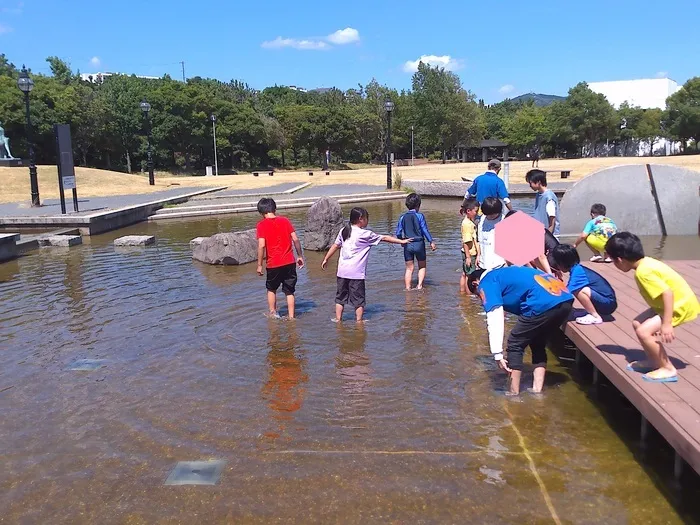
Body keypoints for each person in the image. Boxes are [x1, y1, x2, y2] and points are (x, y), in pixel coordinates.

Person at [606, 232, 700, 382]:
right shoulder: (646, 262)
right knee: (638, 323)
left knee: (644, 332)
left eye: (612, 260)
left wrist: (666, 324)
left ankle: (668, 368)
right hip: (671, 303)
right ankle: (654, 360)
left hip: (679, 305)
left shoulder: (643, 273)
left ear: (620, 260)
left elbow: (667, 294)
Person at [468, 266, 574, 395]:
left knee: (515, 343)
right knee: (537, 342)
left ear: (475, 283)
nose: (481, 299)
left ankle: (513, 393)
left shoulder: (487, 281)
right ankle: (537, 391)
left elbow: (494, 315)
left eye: (478, 295)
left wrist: (497, 354)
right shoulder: (504, 273)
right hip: (565, 300)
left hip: (542, 303)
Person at [322, 207, 410, 322]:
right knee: (358, 300)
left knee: (340, 298)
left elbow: (335, 245)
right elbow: (384, 238)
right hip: (356, 274)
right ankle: (359, 322)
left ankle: (338, 320)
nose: (367, 221)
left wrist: (326, 258)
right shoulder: (365, 234)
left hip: (342, 272)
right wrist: (402, 241)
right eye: (367, 218)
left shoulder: (344, 230)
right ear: (361, 219)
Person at [256, 198, 305, 319]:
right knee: (289, 291)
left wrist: (259, 265)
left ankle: (273, 314)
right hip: (289, 262)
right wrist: (299, 256)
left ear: (261, 212)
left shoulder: (261, 225)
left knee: (271, 289)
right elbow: (296, 239)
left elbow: (261, 245)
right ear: (274, 209)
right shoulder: (285, 221)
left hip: (273, 264)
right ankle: (292, 317)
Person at [550, 244, 617, 325]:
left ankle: (595, 316)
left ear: (562, 262)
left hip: (608, 304)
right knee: (578, 289)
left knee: (580, 290)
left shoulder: (578, 273)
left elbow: (566, 292)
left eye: (556, 263)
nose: (556, 266)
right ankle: (590, 312)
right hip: (605, 301)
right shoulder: (577, 268)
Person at [395, 193, 436, 290]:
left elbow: (398, 232)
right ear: (418, 205)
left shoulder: (402, 217)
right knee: (422, 266)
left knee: (409, 268)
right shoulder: (420, 216)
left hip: (408, 244)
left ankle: (408, 288)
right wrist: (431, 241)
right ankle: (419, 286)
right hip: (419, 243)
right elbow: (424, 230)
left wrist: (402, 241)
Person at [504, 210, 560, 277]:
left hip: (552, 262)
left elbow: (540, 256)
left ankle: (534, 274)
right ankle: (534, 272)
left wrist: (549, 274)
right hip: (558, 260)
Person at [527, 169, 560, 237]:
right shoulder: (539, 194)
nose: (530, 185)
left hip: (549, 236)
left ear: (538, 182)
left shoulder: (549, 197)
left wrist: (548, 237)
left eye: (530, 183)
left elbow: (552, 219)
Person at [477, 197, 506, 271]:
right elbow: (480, 240)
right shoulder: (482, 219)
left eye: (492, 215)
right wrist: (478, 255)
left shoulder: (504, 221)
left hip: (499, 264)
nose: (489, 217)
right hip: (483, 262)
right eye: (487, 214)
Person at [460, 198, 480, 293]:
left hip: (467, 253)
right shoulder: (467, 224)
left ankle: (462, 292)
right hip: (470, 253)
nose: (477, 213)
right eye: (475, 211)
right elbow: (466, 242)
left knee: (465, 273)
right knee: (470, 276)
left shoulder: (468, 222)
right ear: (468, 211)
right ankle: (469, 296)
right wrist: (468, 257)